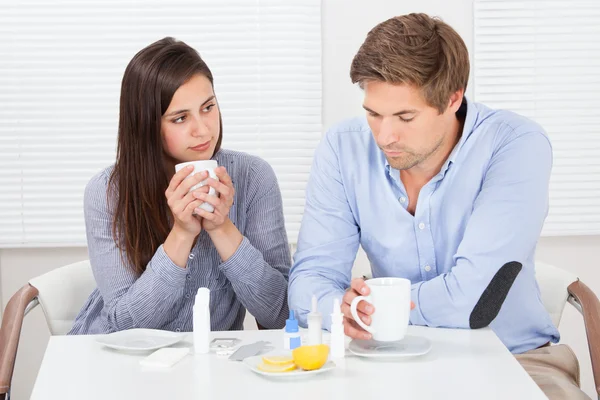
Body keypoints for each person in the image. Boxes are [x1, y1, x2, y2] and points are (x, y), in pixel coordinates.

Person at [288, 13, 588, 400]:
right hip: (388, 360)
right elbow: (309, 284)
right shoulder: (342, 148)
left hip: (516, 359)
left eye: (405, 116)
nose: (384, 135)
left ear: (453, 98)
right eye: (373, 114)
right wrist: (340, 309)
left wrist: (373, 306)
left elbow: (474, 303)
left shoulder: (515, 144)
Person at [69, 37, 290, 334]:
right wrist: (182, 234)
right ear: (147, 124)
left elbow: (281, 315)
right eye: (180, 118)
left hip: (207, 364)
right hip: (118, 362)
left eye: (208, 107)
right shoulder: (107, 193)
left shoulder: (253, 177)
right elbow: (125, 326)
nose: (203, 129)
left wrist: (222, 228)